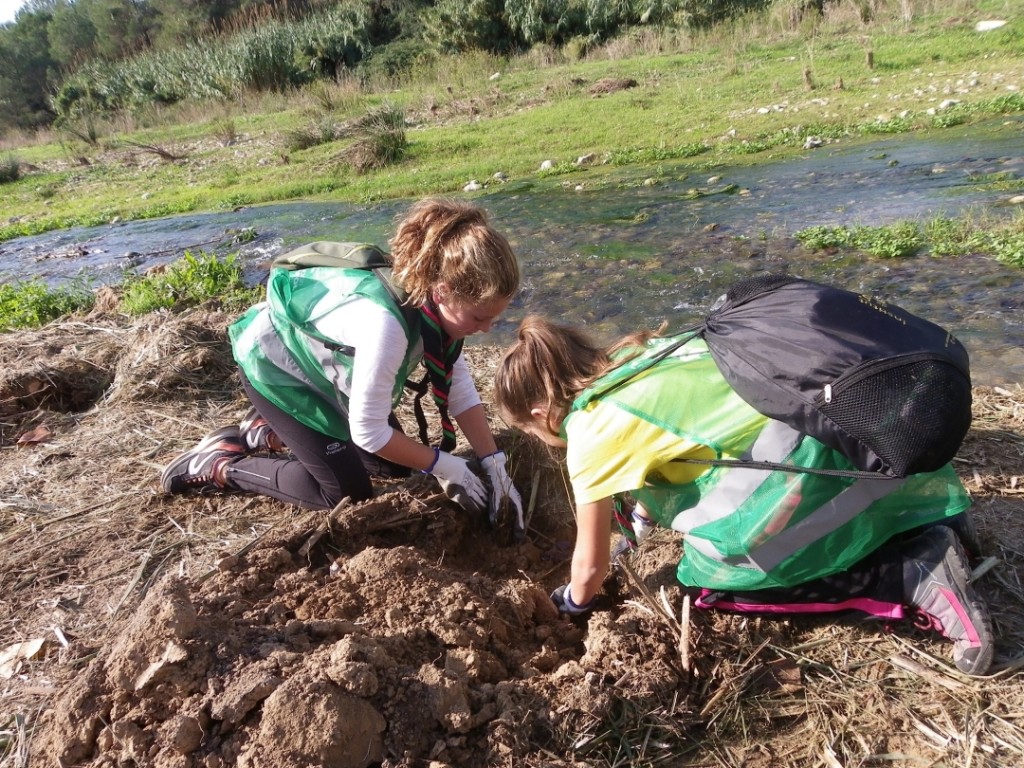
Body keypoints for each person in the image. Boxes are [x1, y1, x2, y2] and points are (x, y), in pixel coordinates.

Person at [493, 315, 994, 676]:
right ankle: (931, 523)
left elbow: (589, 570)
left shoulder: (589, 430)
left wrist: (570, 606)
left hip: (812, 463)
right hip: (855, 432)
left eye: (535, 434)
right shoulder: (636, 357)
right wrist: (638, 527)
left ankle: (910, 574)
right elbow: (670, 447)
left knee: (710, 583)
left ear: (540, 413)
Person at [161, 198, 525, 539]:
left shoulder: (434, 309)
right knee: (345, 493)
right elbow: (369, 433)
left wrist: (495, 465)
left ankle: (266, 432)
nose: (488, 329)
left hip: (326, 374)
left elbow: (457, 385)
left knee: (397, 466)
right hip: (278, 372)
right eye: (480, 317)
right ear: (442, 291)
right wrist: (447, 466)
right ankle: (218, 464)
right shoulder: (385, 327)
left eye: (496, 317)